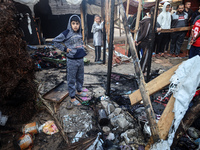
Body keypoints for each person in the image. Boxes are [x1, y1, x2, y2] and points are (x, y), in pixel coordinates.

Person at [53, 15, 87, 107]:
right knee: (71, 79)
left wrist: (82, 46)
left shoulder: (80, 33)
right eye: (73, 24)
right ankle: (72, 97)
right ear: (70, 24)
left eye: (77, 23)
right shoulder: (66, 32)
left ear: (79, 24)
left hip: (80, 59)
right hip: (72, 61)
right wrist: (65, 49)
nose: (75, 25)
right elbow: (55, 41)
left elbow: (78, 42)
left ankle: (79, 92)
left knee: (80, 77)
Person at [136, 7, 161, 72]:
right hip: (146, 42)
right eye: (157, 14)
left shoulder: (146, 20)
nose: (157, 15)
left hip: (145, 41)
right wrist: (139, 40)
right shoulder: (148, 22)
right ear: (152, 13)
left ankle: (142, 70)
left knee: (145, 57)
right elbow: (145, 33)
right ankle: (142, 72)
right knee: (145, 58)